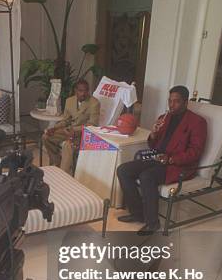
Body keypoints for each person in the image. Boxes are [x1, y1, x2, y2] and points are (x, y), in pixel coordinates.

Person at [116, 86, 207, 235]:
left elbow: (195, 152)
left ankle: (152, 223)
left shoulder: (197, 122)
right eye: (170, 101)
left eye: (176, 101)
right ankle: (137, 213)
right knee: (123, 170)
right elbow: (153, 145)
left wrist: (170, 159)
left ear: (186, 102)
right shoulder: (164, 118)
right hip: (158, 158)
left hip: (178, 165)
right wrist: (153, 134)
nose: (172, 105)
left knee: (147, 176)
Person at [42, 79, 100, 173]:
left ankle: (63, 174)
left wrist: (74, 130)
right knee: (46, 137)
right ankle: (57, 163)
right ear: (75, 91)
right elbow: (66, 120)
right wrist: (54, 128)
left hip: (83, 133)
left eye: (86, 90)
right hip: (68, 130)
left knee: (67, 145)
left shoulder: (94, 103)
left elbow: (93, 124)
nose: (83, 93)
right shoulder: (70, 101)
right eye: (80, 91)